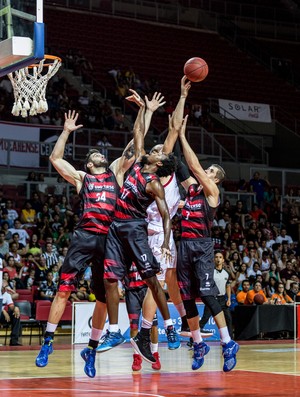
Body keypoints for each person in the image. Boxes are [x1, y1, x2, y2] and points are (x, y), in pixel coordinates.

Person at [35, 110, 135, 376]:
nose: (99, 155)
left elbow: (133, 147)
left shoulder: (115, 172)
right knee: (64, 290)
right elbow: (55, 158)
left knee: (102, 297)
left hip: (108, 239)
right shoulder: (83, 178)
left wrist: (142, 115)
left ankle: (90, 349)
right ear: (89, 164)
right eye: (93, 155)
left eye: (100, 153)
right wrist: (66, 131)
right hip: (84, 236)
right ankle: (47, 343)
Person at [161, 76, 239, 372]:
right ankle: (198, 342)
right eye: (207, 170)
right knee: (185, 296)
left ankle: (228, 342)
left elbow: (192, 165)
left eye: (211, 171)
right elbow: (178, 162)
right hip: (184, 245)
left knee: (207, 294)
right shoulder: (191, 188)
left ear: (216, 178)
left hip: (203, 246)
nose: (206, 171)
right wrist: (181, 98)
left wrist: (183, 136)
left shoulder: (213, 193)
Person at [103, 90, 180, 365]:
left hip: (136, 228)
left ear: (158, 164)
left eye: (157, 152)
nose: (153, 150)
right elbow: (137, 130)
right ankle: (113, 331)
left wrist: (164, 242)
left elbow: (167, 217)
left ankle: (169, 325)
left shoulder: (154, 183)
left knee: (151, 280)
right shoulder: (137, 162)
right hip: (116, 227)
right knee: (109, 279)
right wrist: (144, 109)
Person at [199, 251, 233, 338]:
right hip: (212, 298)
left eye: (220, 257)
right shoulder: (210, 272)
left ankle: (229, 339)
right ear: (214, 259)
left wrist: (229, 299)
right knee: (205, 318)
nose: (218, 259)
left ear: (223, 260)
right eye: (216, 257)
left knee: (228, 319)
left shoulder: (226, 273)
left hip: (222, 299)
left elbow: (228, 286)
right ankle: (193, 339)